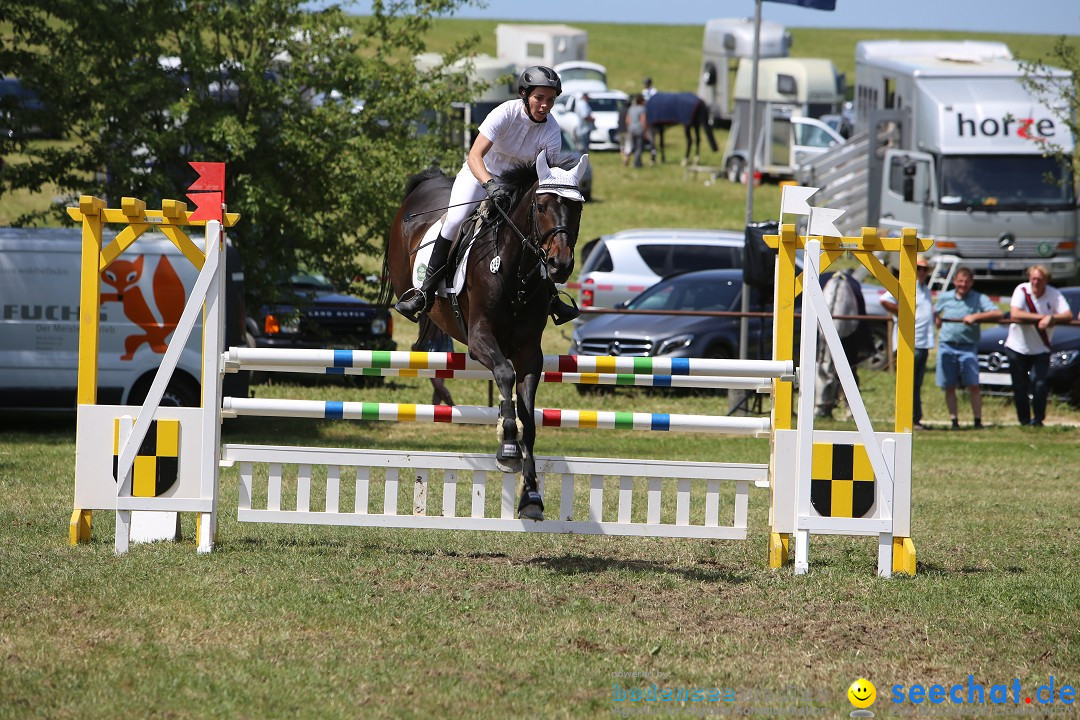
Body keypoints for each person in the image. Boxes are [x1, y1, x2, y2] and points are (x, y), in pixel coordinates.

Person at [395, 65, 579, 325]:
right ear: (525, 95)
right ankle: (424, 291)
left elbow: (544, 175)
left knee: (535, 232)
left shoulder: (551, 130)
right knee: (456, 219)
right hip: (479, 175)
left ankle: (550, 296)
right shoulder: (504, 113)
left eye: (551, 100)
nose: (545, 106)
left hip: (517, 188)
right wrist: (490, 185)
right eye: (540, 98)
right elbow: (474, 155)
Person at [1003, 264, 1072, 427]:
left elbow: (1067, 314)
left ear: (1046, 280)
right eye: (1033, 278)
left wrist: (1052, 319)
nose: (1035, 282)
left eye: (1039, 279)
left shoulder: (1054, 294)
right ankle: (1024, 421)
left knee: (1039, 384)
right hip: (1017, 346)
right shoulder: (1021, 290)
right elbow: (1016, 313)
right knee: (1019, 386)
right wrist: (1042, 317)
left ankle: (1038, 419)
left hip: (1041, 347)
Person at [933, 267, 1003, 429]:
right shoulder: (946, 297)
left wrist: (976, 316)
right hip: (947, 345)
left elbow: (998, 313)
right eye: (960, 281)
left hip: (968, 347)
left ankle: (977, 421)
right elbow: (933, 310)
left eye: (966, 282)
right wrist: (937, 318)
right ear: (954, 282)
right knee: (949, 385)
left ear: (971, 283)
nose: (963, 285)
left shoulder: (979, 298)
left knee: (973, 385)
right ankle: (954, 421)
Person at [880, 256, 934, 429]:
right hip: (908, 343)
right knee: (906, 384)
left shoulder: (924, 289)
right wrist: (903, 312)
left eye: (925, 269)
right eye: (919, 268)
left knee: (916, 384)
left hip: (923, 343)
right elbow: (885, 300)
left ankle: (915, 418)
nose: (922, 272)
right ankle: (906, 419)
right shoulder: (905, 285)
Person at [815, 270, 874, 419]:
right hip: (842, 333)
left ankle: (828, 406)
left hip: (842, 333)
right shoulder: (852, 285)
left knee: (832, 367)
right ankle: (845, 408)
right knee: (844, 369)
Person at [413, 319, 455, 407]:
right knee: (438, 384)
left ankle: (436, 410)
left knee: (438, 385)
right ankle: (452, 408)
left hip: (442, 339)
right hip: (431, 341)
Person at [625, 94, 648, 168]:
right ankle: (636, 163)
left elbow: (627, 120)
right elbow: (643, 120)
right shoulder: (642, 109)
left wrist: (629, 129)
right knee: (639, 147)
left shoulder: (631, 109)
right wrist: (645, 131)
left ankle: (638, 162)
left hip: (631, 129)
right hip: (639, 129)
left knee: (634, 147)